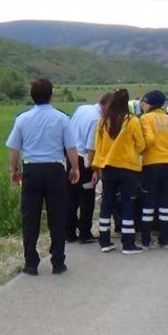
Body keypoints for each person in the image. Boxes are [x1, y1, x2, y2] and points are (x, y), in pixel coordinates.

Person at [6, 78, 80, 276]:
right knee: (57, 216)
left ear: (31, 97)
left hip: (31, 170)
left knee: (30, 218)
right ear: (51, 96)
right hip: (55, 170)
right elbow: (71, 147)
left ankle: (31, 263)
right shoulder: (62, 119)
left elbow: (14, 148)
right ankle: (58, 261)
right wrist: (75, 168)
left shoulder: (22, 119)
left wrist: (13, 170)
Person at [92, 89, 147, 254]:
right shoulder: (131, 121)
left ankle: (104, 241)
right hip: (128, 168)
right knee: (128, 203)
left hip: (108, 168)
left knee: (107, 203)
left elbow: (98, 146)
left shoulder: (103, 122)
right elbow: (141, 144)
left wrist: (97, 166)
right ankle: (128, 243)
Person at [66, 92, 113, 244]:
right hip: (85, 161)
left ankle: (69, 232)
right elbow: (91, 147)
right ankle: (85, 232)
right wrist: (95, 170)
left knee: (71, 196)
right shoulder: (97, 120)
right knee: (87, 197)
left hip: (71, 156)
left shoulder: (83, 108)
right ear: (108, 106)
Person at [138, 90, 168, 249]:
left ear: (149, 104)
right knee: (164, 205)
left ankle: (146, 241)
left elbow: (145, 142)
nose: (142, 105)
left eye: (144, 102)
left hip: (150, 165)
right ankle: (164, 240)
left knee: (148, 204)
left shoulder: (144, 119)